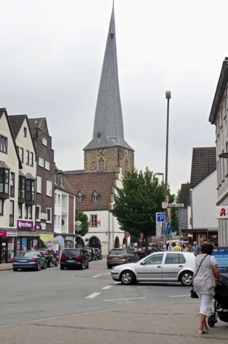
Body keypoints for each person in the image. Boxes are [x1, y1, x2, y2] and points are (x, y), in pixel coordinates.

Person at [193, 243, 221, 334]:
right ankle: (200, 327)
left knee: (202, 304)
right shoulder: (211, 258)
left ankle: (204, 326)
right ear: (211, 250)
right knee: (204, 305)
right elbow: (216, 271)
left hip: (197, 282)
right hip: (207, 283)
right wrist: (218, 279)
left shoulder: (197, 257)